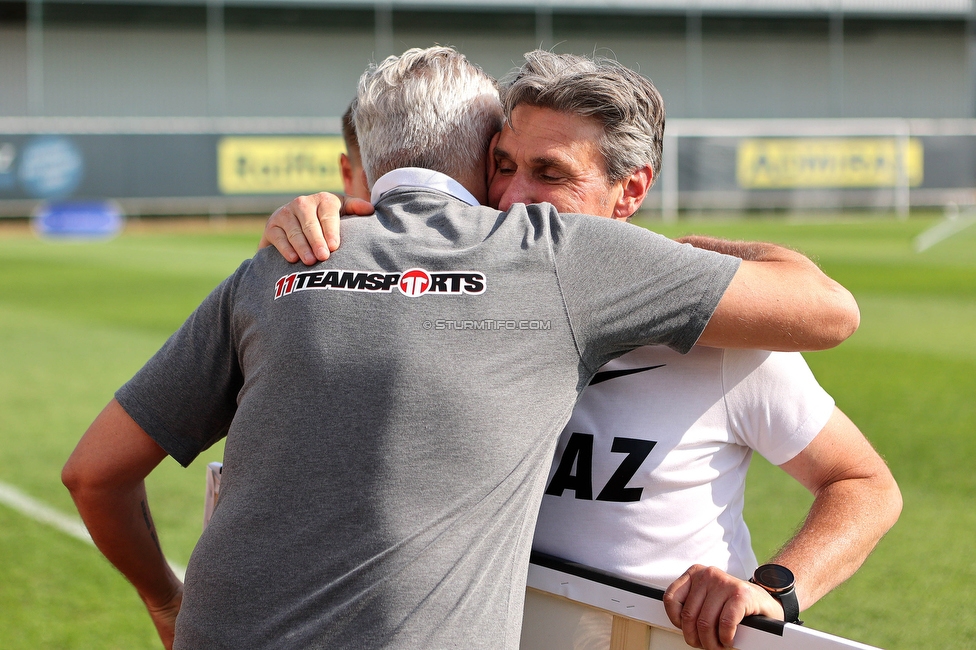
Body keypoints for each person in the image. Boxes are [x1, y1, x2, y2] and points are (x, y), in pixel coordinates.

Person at [63, 47, 858, 650]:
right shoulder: (534, 253)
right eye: (501, 166)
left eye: (547, 173)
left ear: (632, 191)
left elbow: (836, 341)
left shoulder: (288, 262)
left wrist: (777, 588)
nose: (512, 199)